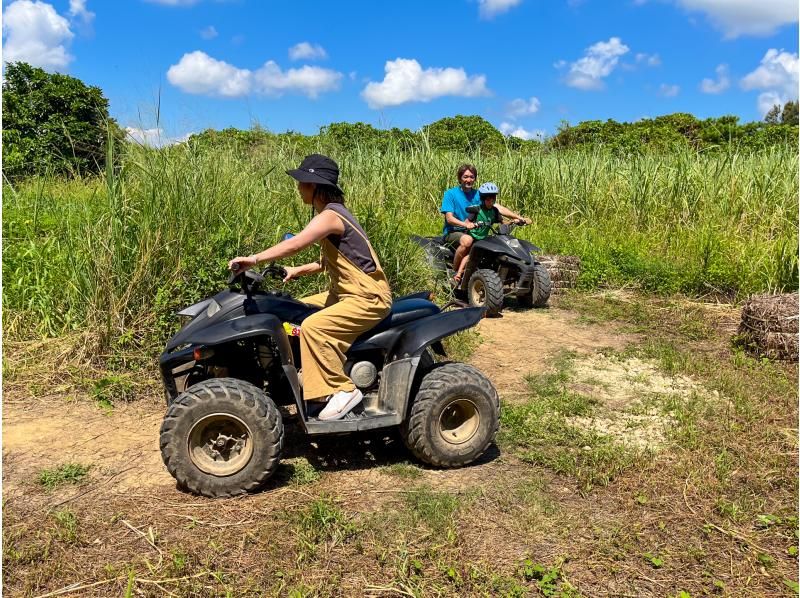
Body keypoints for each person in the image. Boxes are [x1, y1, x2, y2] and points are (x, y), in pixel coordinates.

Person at [228, 154, 392, 421]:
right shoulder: (334, 215)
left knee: (314, 327)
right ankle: (310, 375)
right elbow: (328, 261)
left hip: (368, 296)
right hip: (347, 291)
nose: (298, 187)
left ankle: (342, 389)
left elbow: (296, 243)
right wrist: (296, 270)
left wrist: (254, 259)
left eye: (302, 182)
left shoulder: (330, 216)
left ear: (314, 186)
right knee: (297, 308)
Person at [452, 182, 528, 283]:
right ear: (483, 199)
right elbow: (467, 222)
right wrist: (470, 225)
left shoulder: (494, 211)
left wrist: (513, 221)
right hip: (474, 237)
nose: (491, 201)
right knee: (470, 255)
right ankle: (458, 274)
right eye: (488, 199)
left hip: (484, 238)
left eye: (493, 199)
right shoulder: (476, 210)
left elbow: (503, 222)